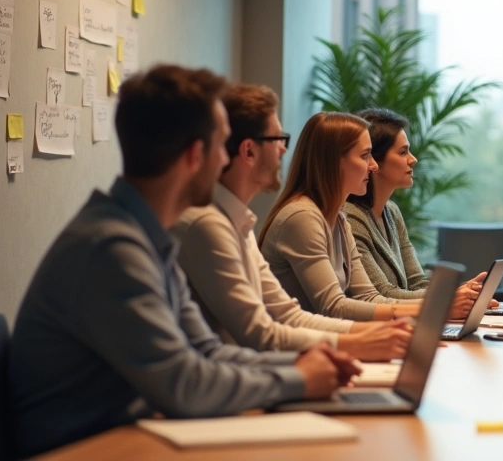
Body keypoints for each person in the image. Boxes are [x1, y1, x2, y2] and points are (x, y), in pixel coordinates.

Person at [8, 66, 353, 458]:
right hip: (83, 450)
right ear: (194, 155)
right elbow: (183, 386)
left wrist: (303, 363)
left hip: (128, 437)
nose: (227, 159)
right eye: (223, 146)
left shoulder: (147, 236)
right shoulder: (112, 248)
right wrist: (297, 380)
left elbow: (207, 351)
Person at [174, 84, 412, 361]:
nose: (284, 151)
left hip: (253, 373)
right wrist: (357, 343)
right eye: (277, 139)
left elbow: (287, 315)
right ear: (249, 151)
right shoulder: (210, 225)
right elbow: (260, 335)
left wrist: (368, 338)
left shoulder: (238, 223)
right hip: (238, 381)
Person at [259, 111, 479, 321]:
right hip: (292, 353)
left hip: (321, 344)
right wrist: (438, 306)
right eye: (365, 156)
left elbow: (368, 297)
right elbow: (334, 307)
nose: (373, 166)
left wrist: (441, 304)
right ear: (335, 162)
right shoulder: (303, 217)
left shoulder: (339, 219)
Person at [343, 108, 489, 311]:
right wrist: (448, 297)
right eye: (403, 152)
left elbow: (417, 282)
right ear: (374, 160)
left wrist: (463, 293)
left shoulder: (392, 212)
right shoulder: (350, 218)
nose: (413, 159)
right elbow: (383, 292)